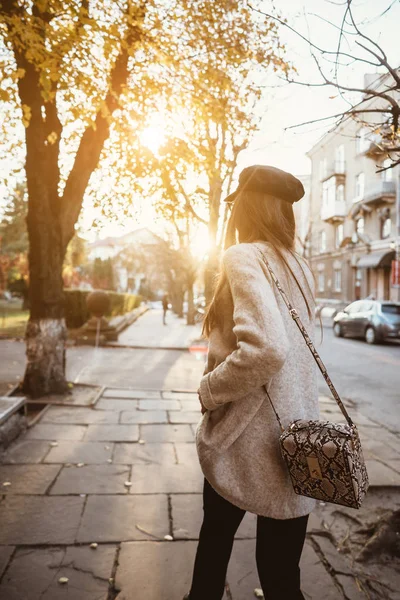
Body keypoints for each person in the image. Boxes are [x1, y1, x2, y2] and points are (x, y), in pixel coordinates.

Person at [184, 165, 319, 600]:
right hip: (298, 441)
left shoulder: (242, 256)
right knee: (282, 578)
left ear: (244, 207)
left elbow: (267, 349)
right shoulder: (300, 266)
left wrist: (210, 390)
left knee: (214, 552)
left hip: (243, 437)